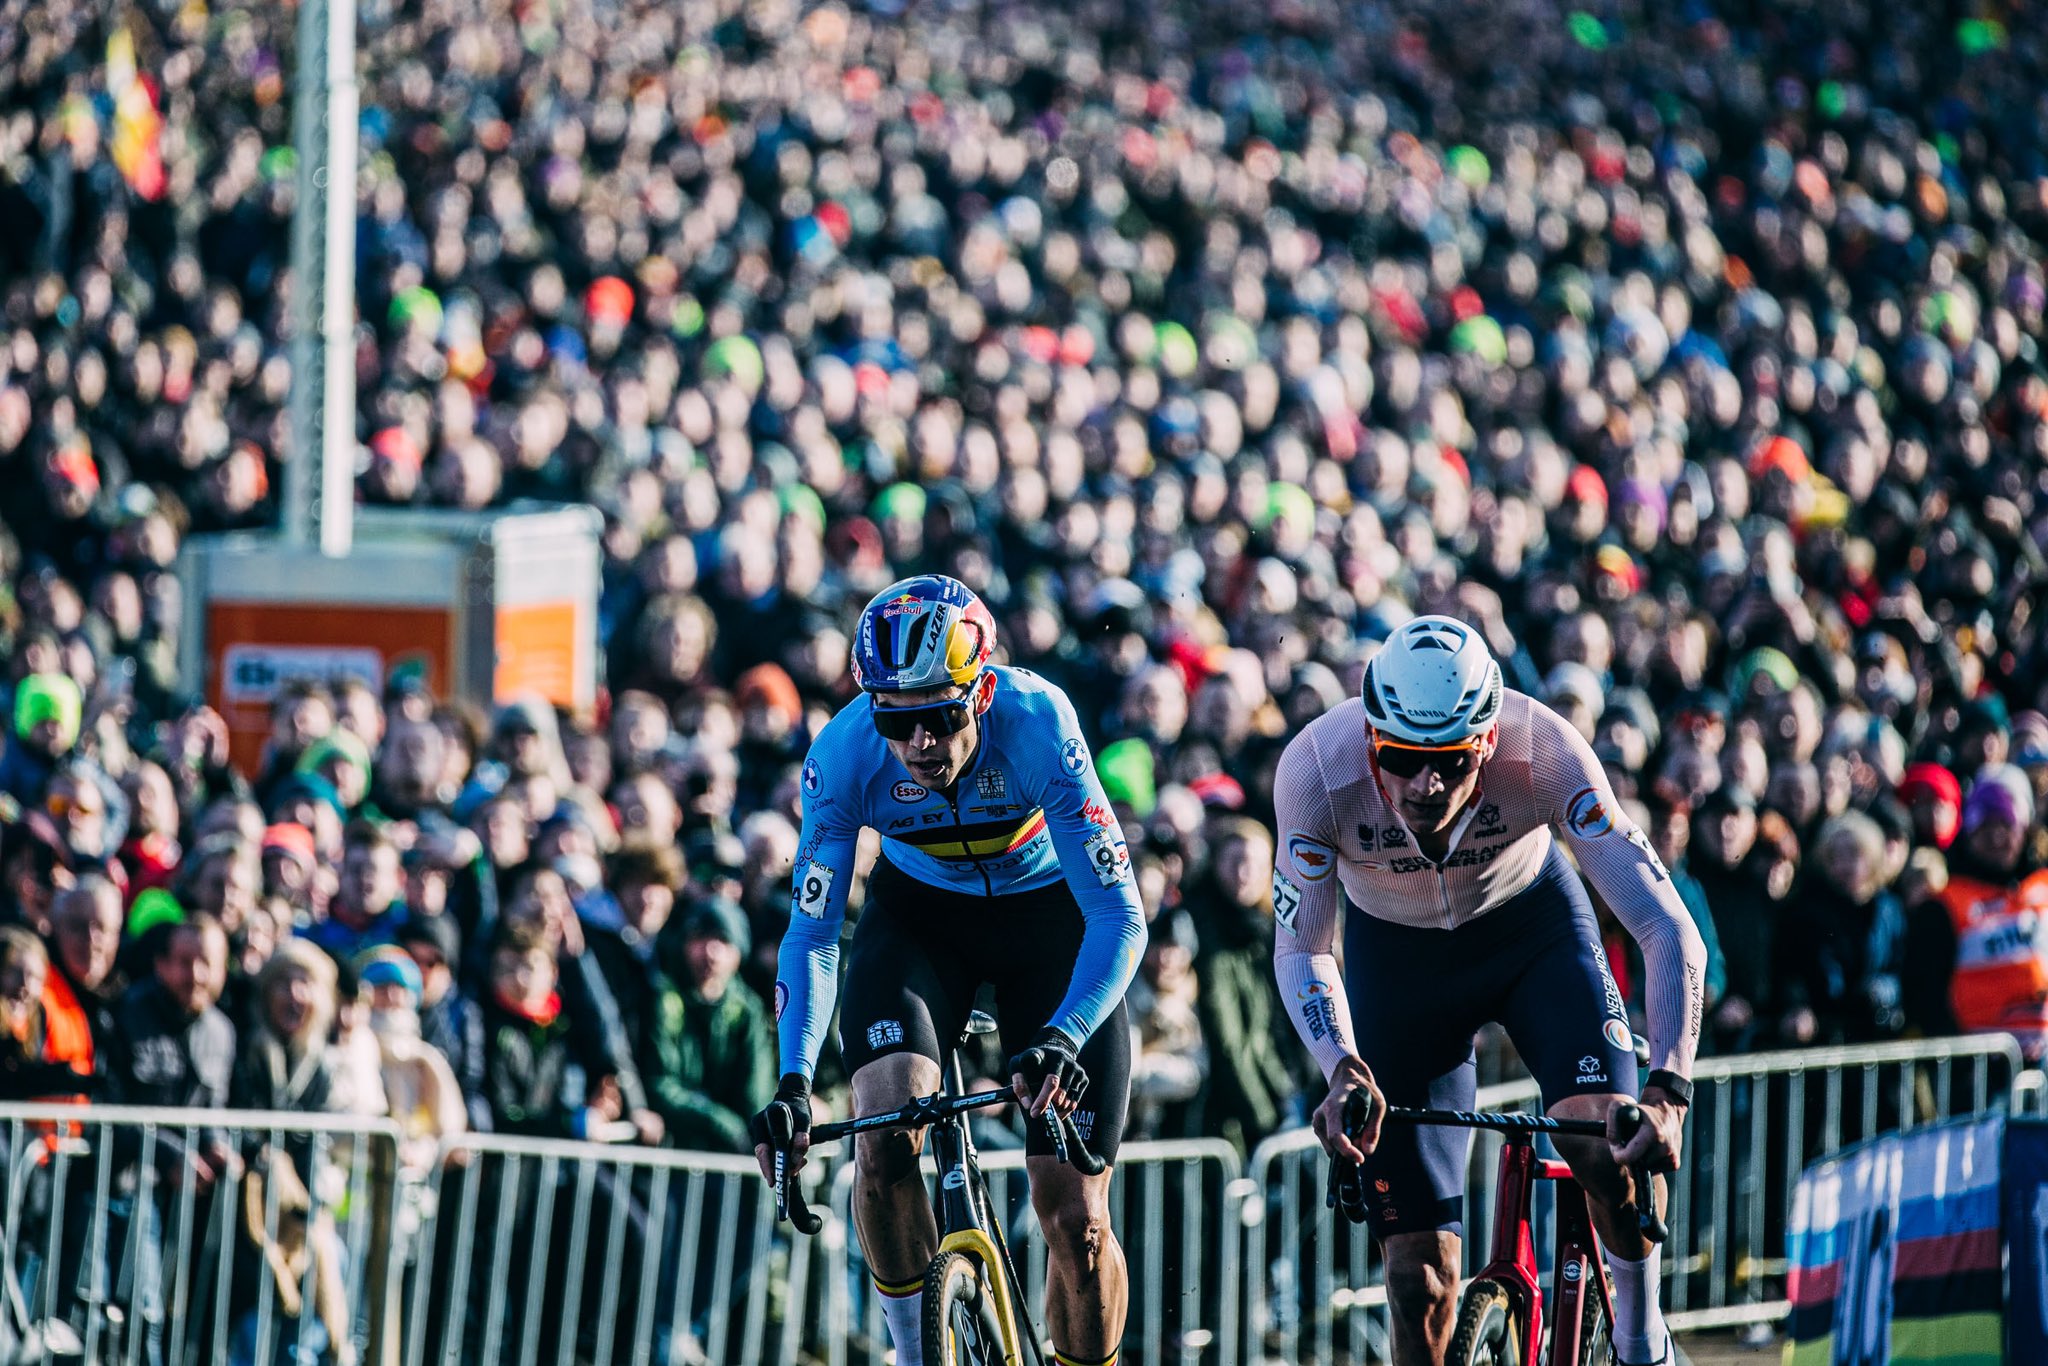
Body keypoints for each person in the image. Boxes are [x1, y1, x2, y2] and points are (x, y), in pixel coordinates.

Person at [1271, 615, 1706, 1366]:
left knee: (1605, 1143)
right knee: (1417, 1283)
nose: (1426, 784)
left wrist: (1669, 1089)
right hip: (1399, 966)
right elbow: (1302, 948)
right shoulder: (1316, 771)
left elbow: (1667, 927)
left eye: (1451, 760)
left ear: (1490, 740)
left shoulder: (1544, 749)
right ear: (1371, 737)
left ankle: (1641, 1339)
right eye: (1402, 758)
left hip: (1531, 935)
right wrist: (1339, 1064)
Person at [754, 575, 1145, 1366]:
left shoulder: (1038, 723)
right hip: (922, 923)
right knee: (882, 1143)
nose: (920, 742)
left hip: (1051, 920)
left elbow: (1119, 915)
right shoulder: (842, 756)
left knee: (1077, 1220)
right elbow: (813, 934)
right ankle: (914, 1352)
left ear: (983, 691)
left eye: (939, 715)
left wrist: (1066, 1035)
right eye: (896, 720)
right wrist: (794, 1080)